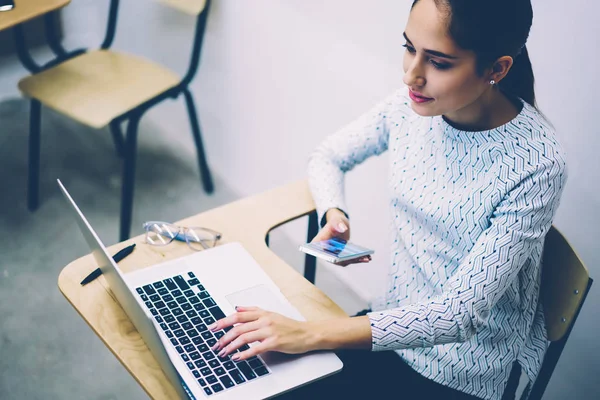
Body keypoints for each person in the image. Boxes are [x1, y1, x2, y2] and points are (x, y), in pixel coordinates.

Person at [207, 0, 567, 399]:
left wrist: (309, 333)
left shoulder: (536, 163)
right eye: (409, 47)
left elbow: (458, 315)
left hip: (459, 372)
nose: (412, 75)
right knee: (243, 381)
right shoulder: (410, 107)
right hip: (389, 332)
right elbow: (328, 155)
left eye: (439, 62)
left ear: (497, 69)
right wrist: (335, 213)